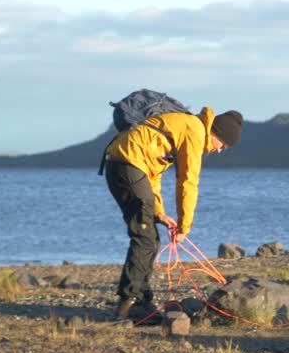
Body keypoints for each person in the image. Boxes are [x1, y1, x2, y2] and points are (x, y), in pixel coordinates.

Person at [103, 106, 243, 319]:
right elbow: (187, 182)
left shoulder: (185, 127)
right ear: (215, 133)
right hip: (127, 164)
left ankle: (141, 301)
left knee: (149, 237)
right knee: (145, 238)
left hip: (124, 163)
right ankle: (127, 305)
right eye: (222, 145)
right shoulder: (195, 130)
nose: (220, 150)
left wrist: (159, 212)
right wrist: (185, 225)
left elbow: (154, 171)